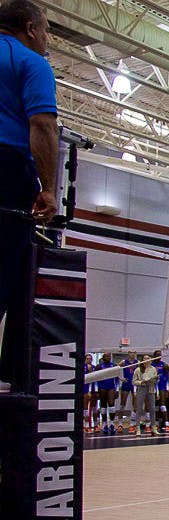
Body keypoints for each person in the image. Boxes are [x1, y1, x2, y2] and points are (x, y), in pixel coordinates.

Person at [0, 0, 57, 391]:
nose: (49, 37)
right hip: (6, 168)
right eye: (47, 29)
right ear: (31, 28)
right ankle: (11, 385)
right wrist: (49, 189)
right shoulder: (30, 62)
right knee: (10, 279)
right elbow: (42, 125)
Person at [132, 355, 158, 437]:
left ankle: (153, 428)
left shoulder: (153, 369)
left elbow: (156, 380)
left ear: (151, 360)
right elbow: (134, 381)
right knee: (139, 408)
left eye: (148, 359)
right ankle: (138, 428)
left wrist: (154, 380)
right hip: (141, 389)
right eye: (144, 358)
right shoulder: (138, 369)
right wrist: (141, 382)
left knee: (152, 409)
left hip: (151, 389)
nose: (146, 360)